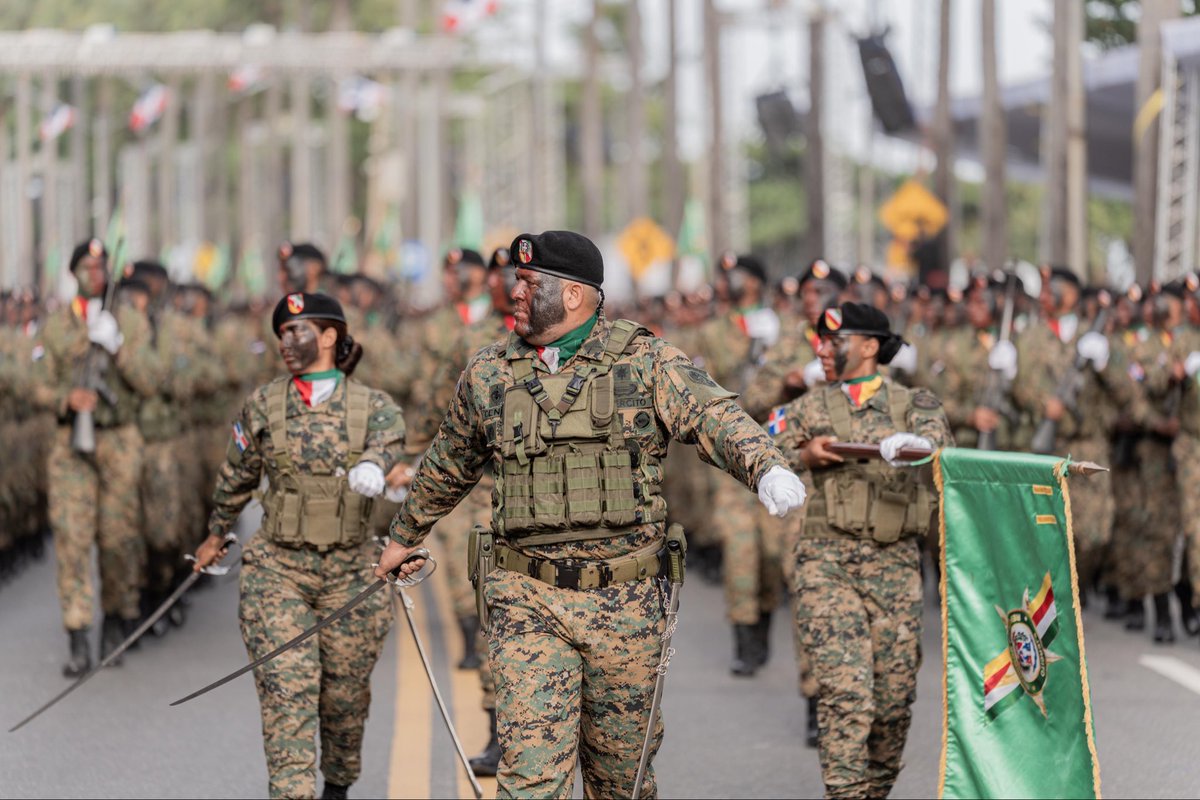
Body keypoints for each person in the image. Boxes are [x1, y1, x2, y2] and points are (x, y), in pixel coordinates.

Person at [375, 230, 806, 798]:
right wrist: (403, 536)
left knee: (620, 781)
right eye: (515, 282)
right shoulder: (488, 372)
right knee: (530, 781)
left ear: (574, 294)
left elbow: (712, 415)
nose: (515, 293)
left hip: (625, 604)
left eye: (529, 284)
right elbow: (448, 464)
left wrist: (766, 467)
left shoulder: (646, 359)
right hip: (526, 598)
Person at [191, 292, 407, 800]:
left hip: (353, 573)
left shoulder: (373, 406)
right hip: (278, 570)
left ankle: (338, 785)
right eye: (282, 333)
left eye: (299, 331)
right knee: (287, 690)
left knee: (343, 698)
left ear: (330, 336)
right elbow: (236, 476)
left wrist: (375, 466)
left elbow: (390, 440)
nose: (287, 342)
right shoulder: (264, 405)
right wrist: (215, 533)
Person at [773, 302, 953, 799]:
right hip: (826, 564)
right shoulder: (809, 407)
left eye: (836, 341)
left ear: (870, 346)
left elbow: (937, 443)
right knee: (846, 695)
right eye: (822, 342)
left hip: (895, 565)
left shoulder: (916, 403)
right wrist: (803, 454)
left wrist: (912, 444)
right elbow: (764, 443)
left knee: (893, 703)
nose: (824, 351)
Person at [30, 239, 158, 676]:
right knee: (71, 537)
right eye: (86, 266)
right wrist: (66, 398)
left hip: (119, 440)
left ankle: (116, 622)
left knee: (118, 538)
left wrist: (119, 346)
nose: (95, 273)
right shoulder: (56, 326)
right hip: (70, 444)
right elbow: (36, 384)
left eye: (101, 266)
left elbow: (149, 382)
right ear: (73, 273)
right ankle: (79, 635)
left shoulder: (131, 321)